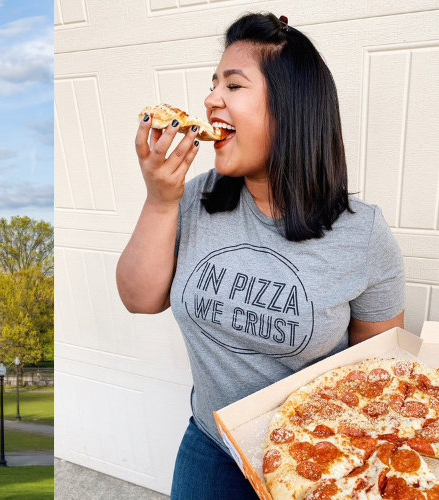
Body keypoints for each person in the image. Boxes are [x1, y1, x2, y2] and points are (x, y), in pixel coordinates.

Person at [116, 12, 405, 500]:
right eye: (213, 84)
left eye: (233, 85)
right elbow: (139, 299)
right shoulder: (195, 199)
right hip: (211, 446)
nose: (210, 100)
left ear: (290, 109)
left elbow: (379, 375)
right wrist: (159, 198)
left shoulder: (363, 235)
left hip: (315, 458)